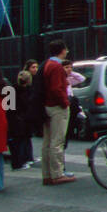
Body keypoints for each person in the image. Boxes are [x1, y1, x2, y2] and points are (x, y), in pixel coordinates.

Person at [39, 41, 75, 185]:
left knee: (47, 142)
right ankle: (57, 173)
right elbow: (56, 88)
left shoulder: (47, 64)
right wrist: (65, 103)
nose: (67, 52)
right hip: (57, 107)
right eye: (66, 49)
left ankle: (47, 174)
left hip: (47, 105)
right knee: (57, 141)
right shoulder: (56, 67)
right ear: (62, 50)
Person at [8, 69, 34, 169]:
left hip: (13, 118)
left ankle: (17, 162)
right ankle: (22, 161)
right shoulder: (28, 91)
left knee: (15, 143)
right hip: (23, 119)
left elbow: (6, 106)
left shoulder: (10, 89)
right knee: (22, 142)